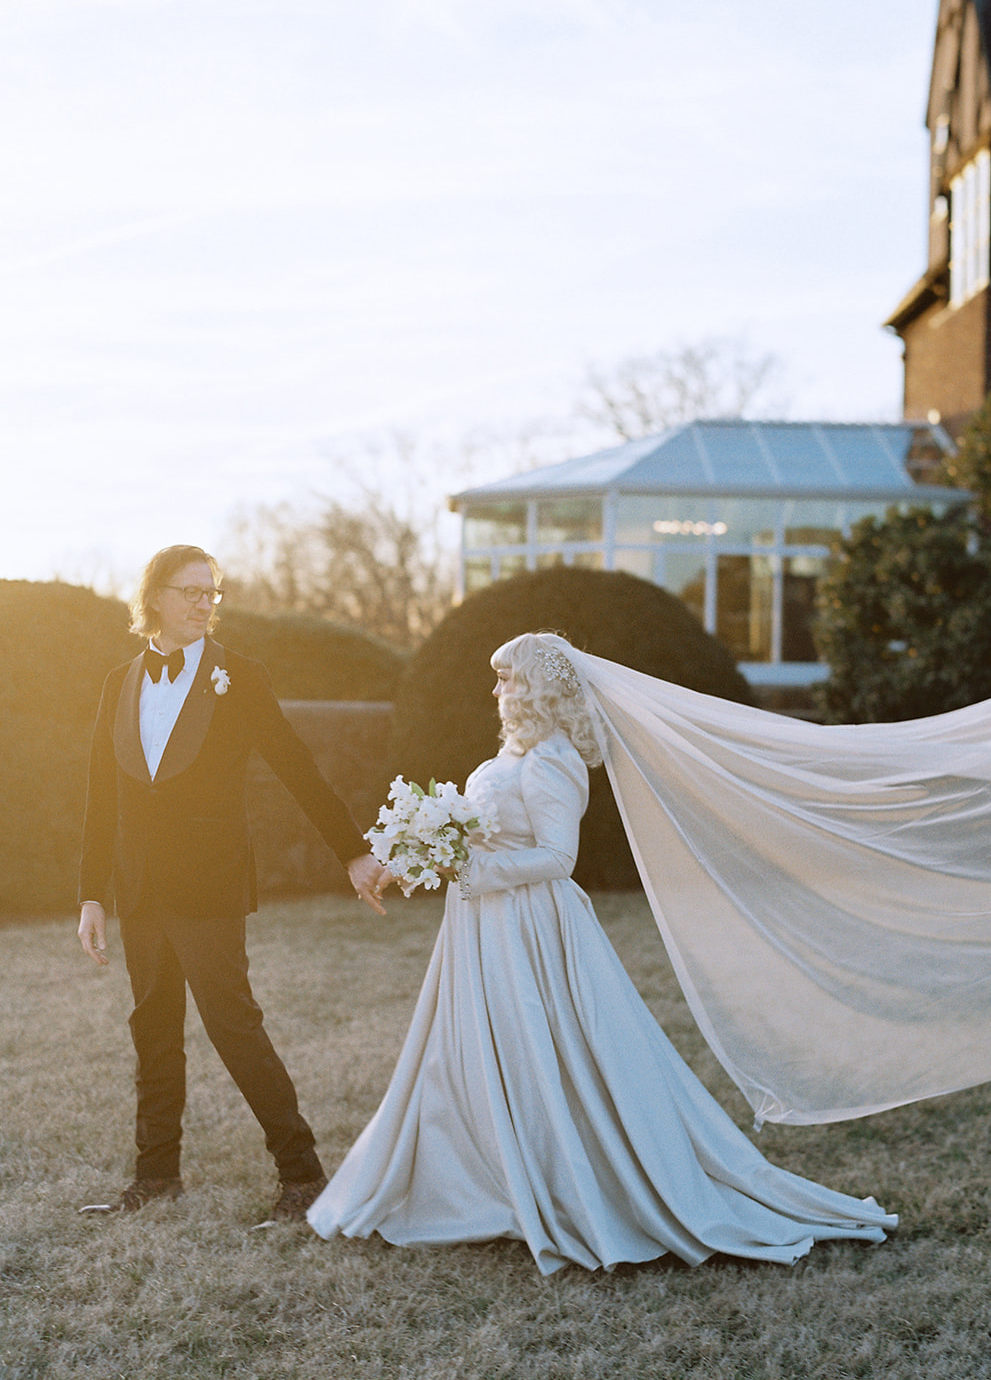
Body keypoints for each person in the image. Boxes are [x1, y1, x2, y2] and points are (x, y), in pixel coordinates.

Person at [308, 632, 896, 1274]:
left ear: (534, 687)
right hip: (481, 928)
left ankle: (569, 1177)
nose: (496, 690)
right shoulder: (514, 753)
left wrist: (480, 873)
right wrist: (410, 854)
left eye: (506, 678)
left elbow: (561, 858)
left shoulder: (552, 760)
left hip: (530, 923)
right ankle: (488, 1175)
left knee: (550, 1044)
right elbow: (471, 831)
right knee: (479, 1048)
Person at [77, 544, 387, 1221]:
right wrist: (92, 893)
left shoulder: (237, 675)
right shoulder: (118, 682)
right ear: (154, 596)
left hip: (209, 885)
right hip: (140, 889)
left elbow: (295, 764)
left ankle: (302, 1176)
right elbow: (103, 795)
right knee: (152, 1030)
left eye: (211, 593)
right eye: (189, 591)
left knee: (234, 1026)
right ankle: (156, 1176)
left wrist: (353, 852)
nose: (203, 604)